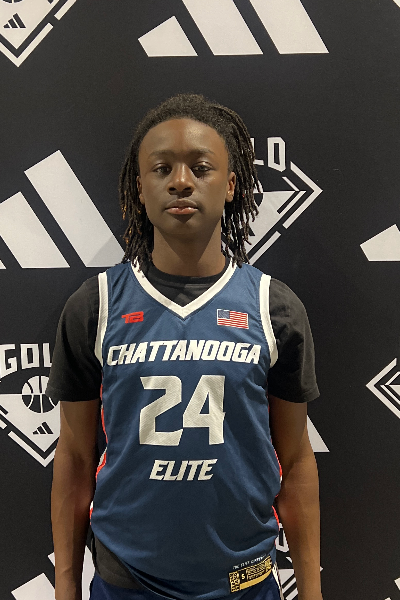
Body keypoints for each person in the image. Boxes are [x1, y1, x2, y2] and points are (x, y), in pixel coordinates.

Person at [49, 94, 322, 600]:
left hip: (244, 582)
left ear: (232, 184)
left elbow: (297, 458)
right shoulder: (95, 307)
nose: (180, 181)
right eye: (162, 168)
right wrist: (66, 587)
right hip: (127, 581)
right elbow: (75, 457)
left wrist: (312, 592)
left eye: (200, 167)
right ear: (140, 187)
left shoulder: (273, 307)